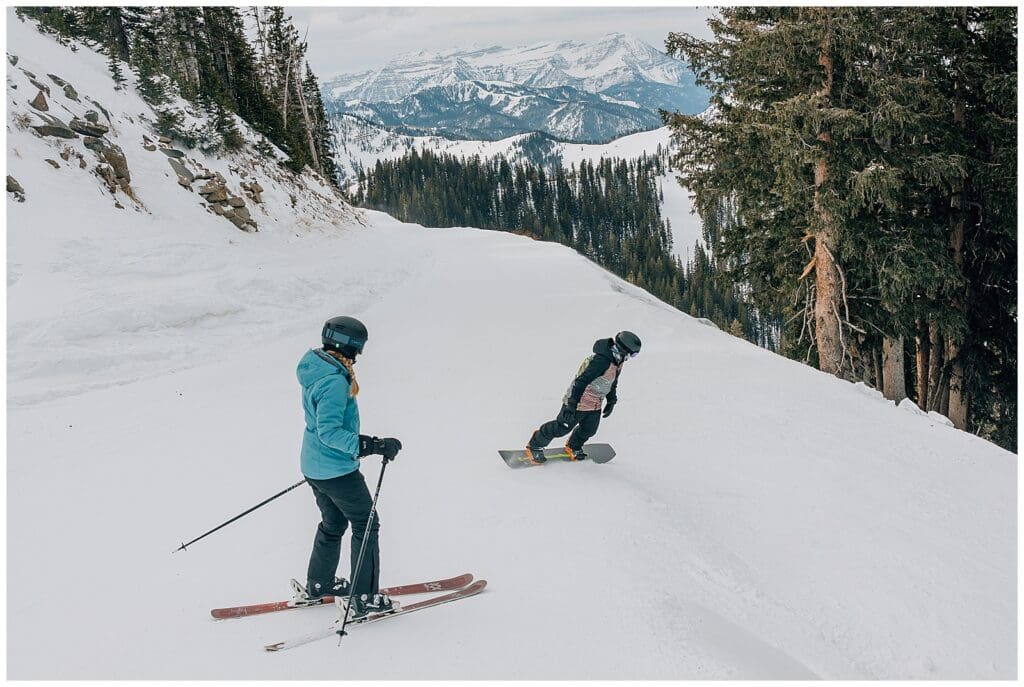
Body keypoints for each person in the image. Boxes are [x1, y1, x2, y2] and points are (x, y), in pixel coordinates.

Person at [296, 315, 402, 618]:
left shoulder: (318, 368)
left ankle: (320, 583)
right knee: (366, 523)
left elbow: (321, 429)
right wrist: (371, 445)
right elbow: (329, 431)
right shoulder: (333, 382)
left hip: (315, 466)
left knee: (334, 523)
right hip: (336, 470)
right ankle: (364, 596)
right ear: (351, 347)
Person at [525, 331, 641, 464]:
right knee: (562, 427)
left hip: (595, 404)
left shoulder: (618, 361)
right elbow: (581, 381)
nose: (632, 357)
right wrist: (571, 404)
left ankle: (573, 446)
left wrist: (611, 400)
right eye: (633, 354)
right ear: (624, 348)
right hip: (579, 401)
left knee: (589, 430)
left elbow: (612, 382)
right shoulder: (601, 360)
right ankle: (535, 445)